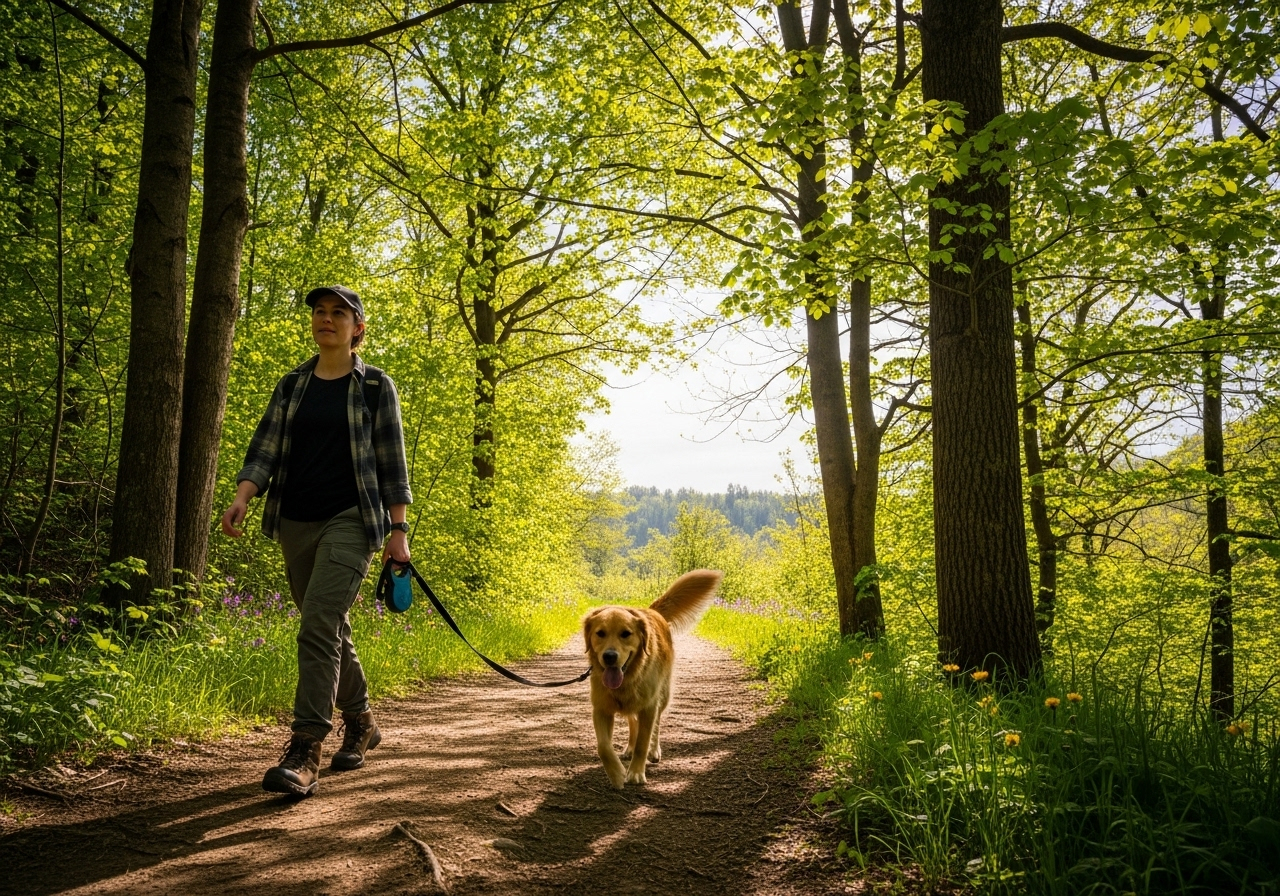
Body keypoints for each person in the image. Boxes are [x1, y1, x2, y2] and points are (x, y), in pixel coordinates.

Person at [221, 285, 412, 797]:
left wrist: (399, 532)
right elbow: (264, 448)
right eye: (320, 313)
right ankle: (363, 721)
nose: (326, 320)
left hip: (353, 520)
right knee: (327, 628)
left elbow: (393, 464)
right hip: (294, 521)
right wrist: (243, 496)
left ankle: (306, 746)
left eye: (339, 314)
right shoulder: (292, 386)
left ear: (358, 328)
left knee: (319, 623)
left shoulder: (374, 386)